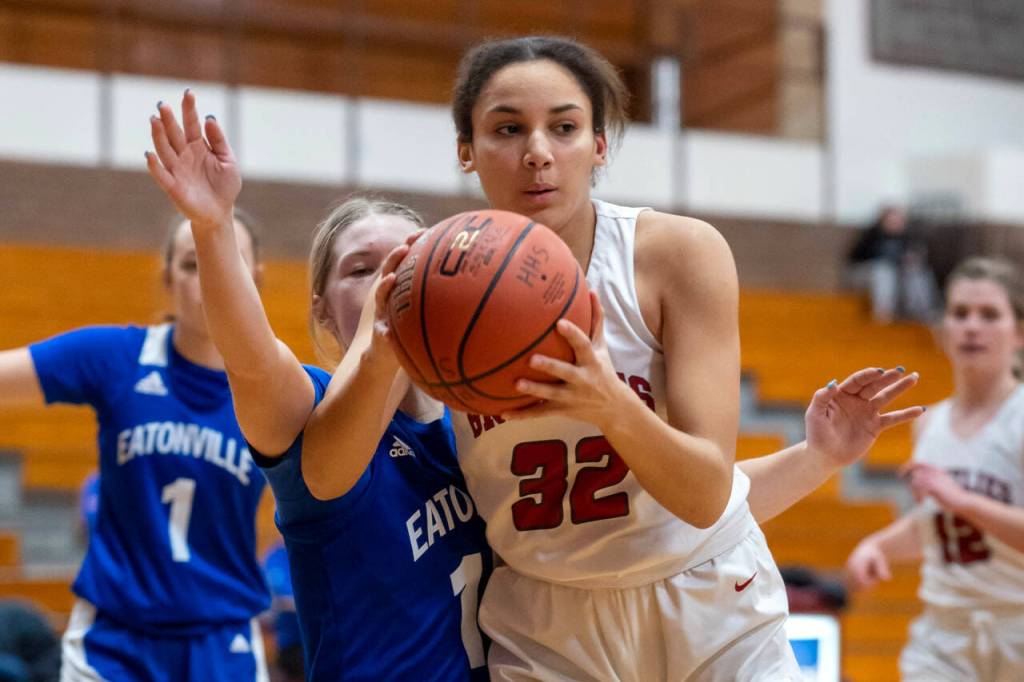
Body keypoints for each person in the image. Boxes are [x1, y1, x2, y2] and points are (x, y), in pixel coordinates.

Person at [300, 35, 924, 680]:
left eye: (564, 127)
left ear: (599, 144)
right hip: (546, 617)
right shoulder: (441, 285)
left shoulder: (676, 254)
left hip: (706, 595)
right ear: (467, 150)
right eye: (508, 128)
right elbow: (321, 478)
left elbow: (709, 494)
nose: (538, 153)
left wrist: (609, 402)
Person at [145, 93, 492, 680]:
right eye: (363, 270)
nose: (392, 279)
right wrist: (212, 225)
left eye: (410, 261)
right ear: (325, 313)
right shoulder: (307, 410)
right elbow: (251, 360)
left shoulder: (486, 421)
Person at [0, 214, 271, 680]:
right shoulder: (118, 358)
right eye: (191, 264)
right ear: (167, 278)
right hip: (114, 640)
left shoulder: (277, 386)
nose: (209, 277)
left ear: (257, 279)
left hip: (224, 644)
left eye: (225, 260)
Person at [846, 257, 1024, 681]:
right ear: (944, 330)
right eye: (960, 313)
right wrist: (878, 546)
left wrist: (964, 501)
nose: (971, 326)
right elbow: (937, 523)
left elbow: (957, 507)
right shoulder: (930, 422)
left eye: (989, 315)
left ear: (1018, 332)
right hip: (944, 634)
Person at [847, 205, 938, 323]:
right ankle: (884, 312)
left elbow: (917, 256)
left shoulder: (908, 237)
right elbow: (854, 257)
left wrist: (912, 259)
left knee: (917, 271)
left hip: (899, 272)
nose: (896, 223)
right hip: (870, 273)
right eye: (892, 220)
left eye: (899, 220)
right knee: (884, 270)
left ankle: (922, 311)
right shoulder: (872, 235)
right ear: (883, 221)